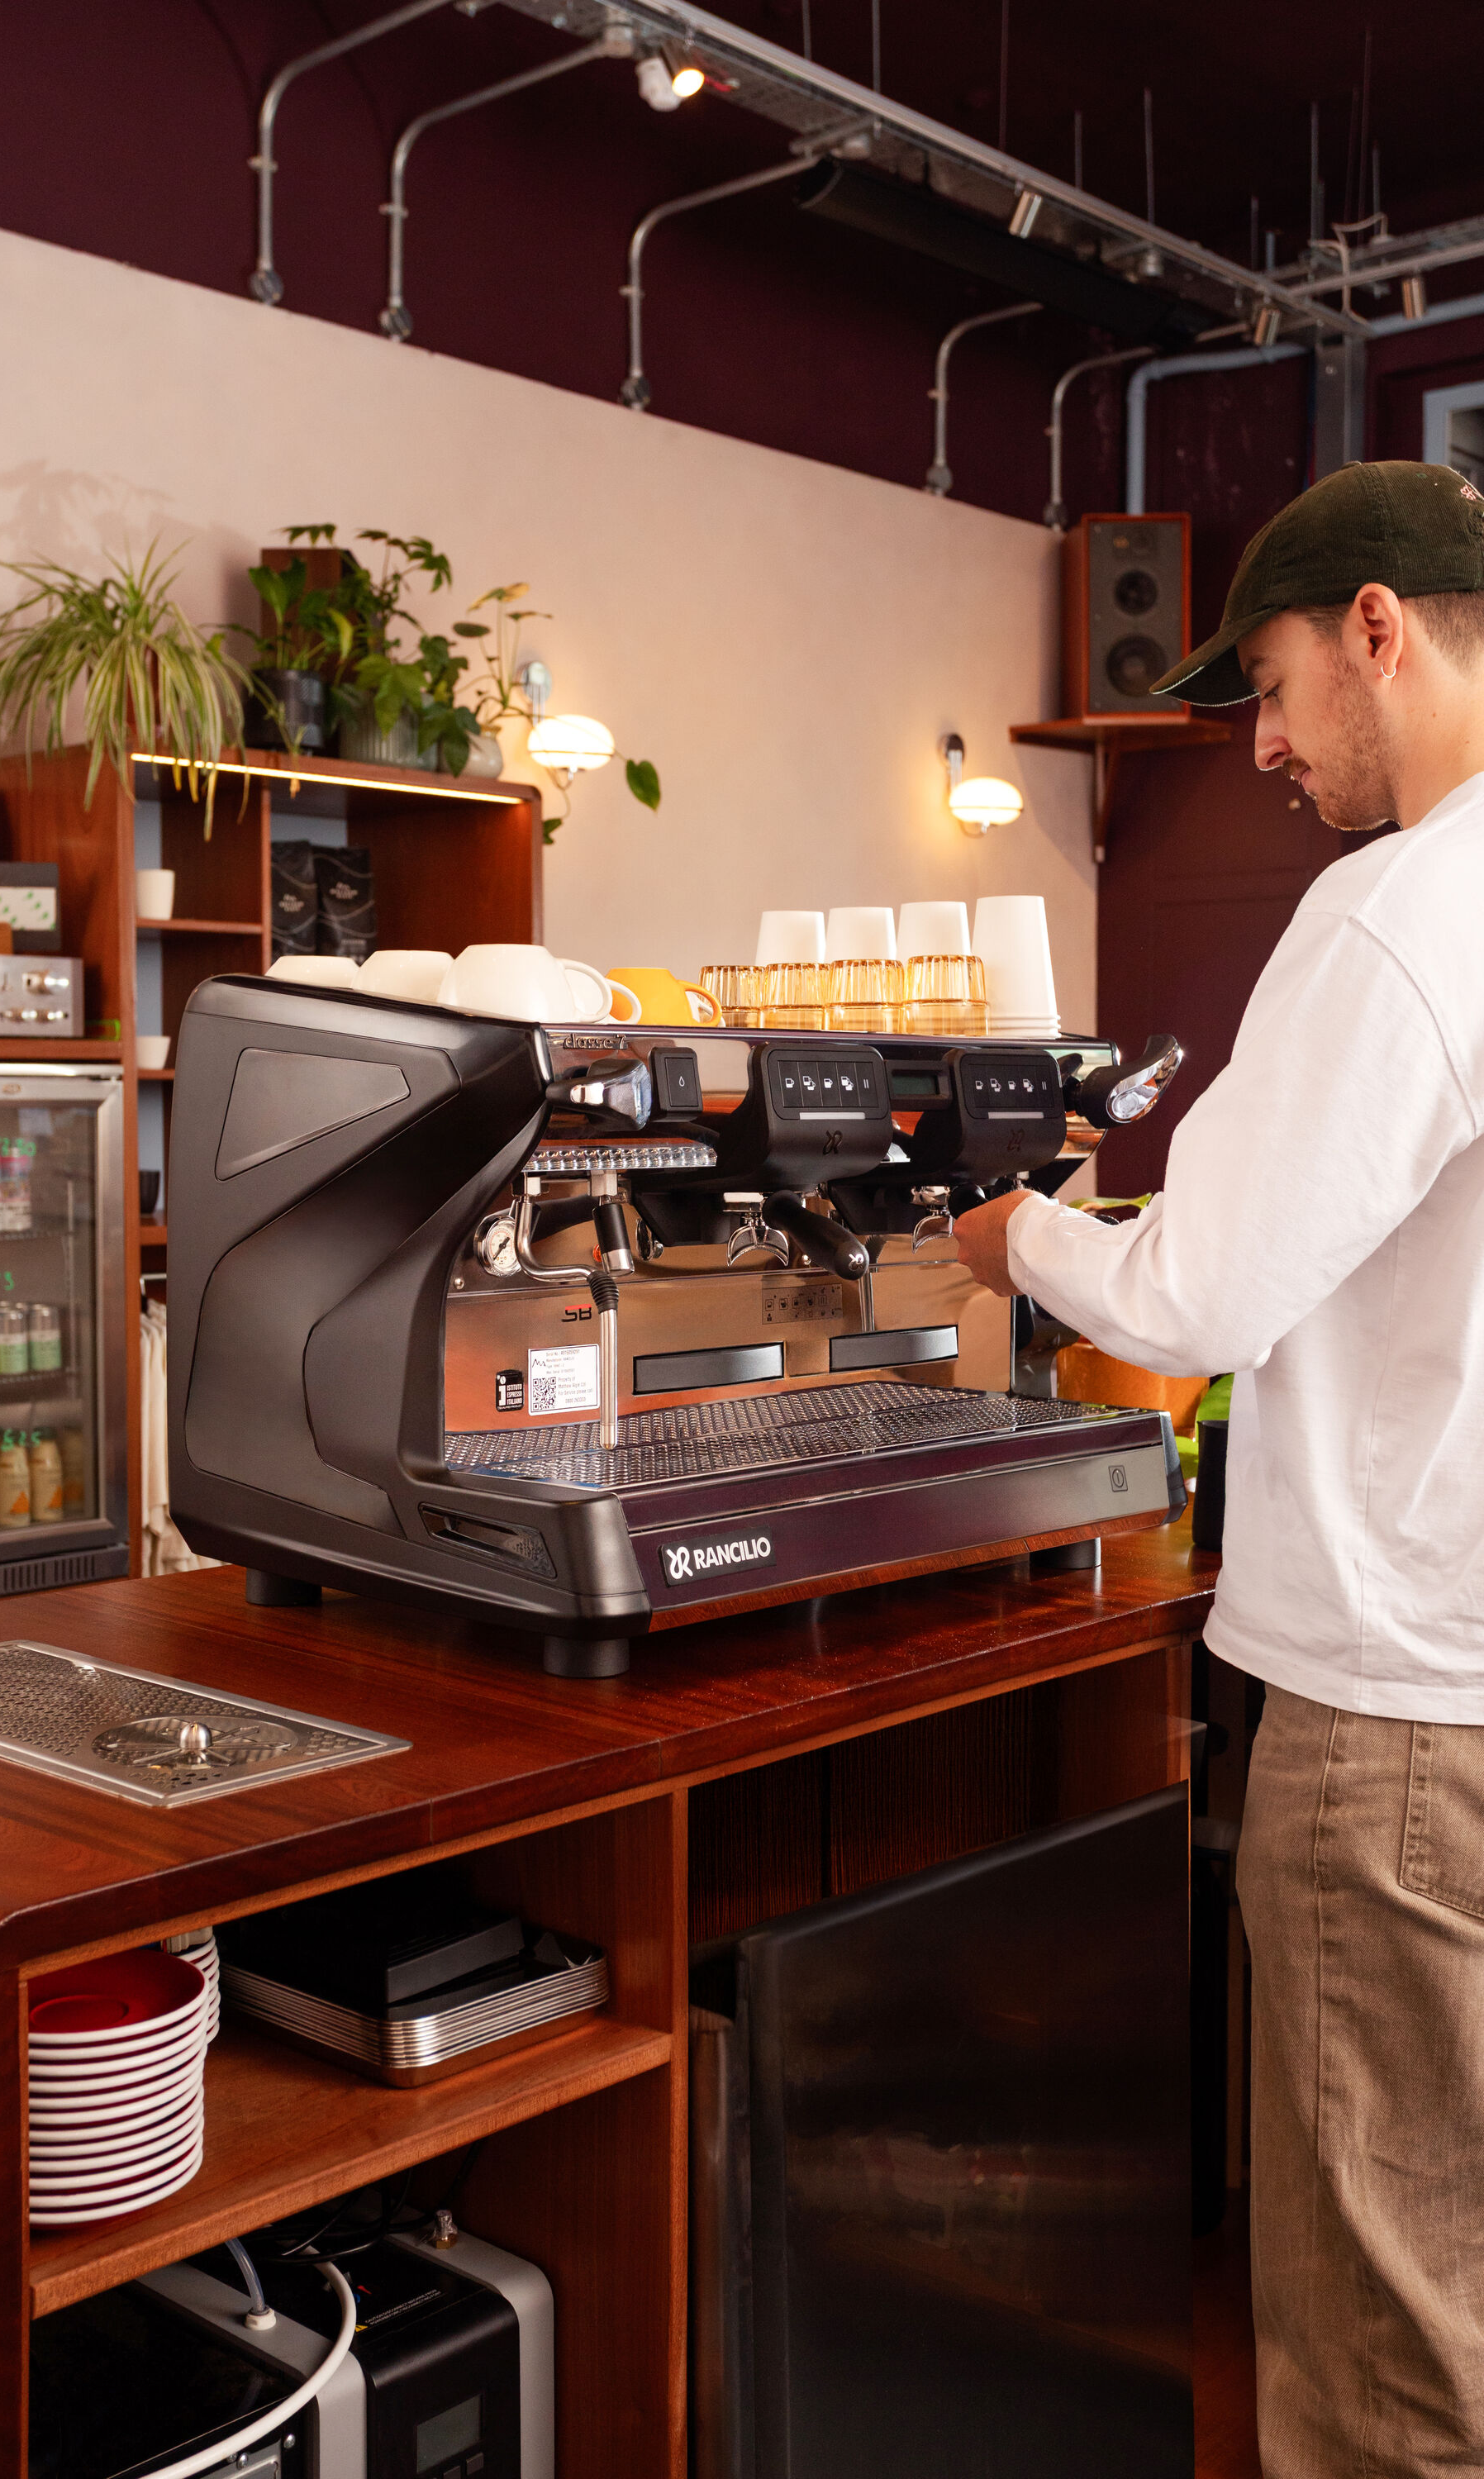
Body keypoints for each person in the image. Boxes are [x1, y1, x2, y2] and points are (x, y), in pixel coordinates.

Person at [955, 459, 1484, 2479]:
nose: (1258, 746)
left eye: (1266, 684)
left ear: (1374, 624)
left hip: (1395, 1720)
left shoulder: (1405, 903)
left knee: (1376, 2345)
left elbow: (1203, 1290)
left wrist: (1012, 1236)